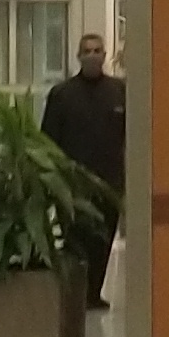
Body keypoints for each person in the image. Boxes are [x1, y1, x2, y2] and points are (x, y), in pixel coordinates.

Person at [40, 33, 128, 308]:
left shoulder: (120, 92)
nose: (92, 55)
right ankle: (75, 294)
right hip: (72, 186)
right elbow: (47, 139)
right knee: (76, 243)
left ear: (105, 55)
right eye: (87, 51)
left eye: (97, 50)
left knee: (102, 242)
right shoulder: (63, 94)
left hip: (109, 183)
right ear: (78, 56)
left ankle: (93, 294)